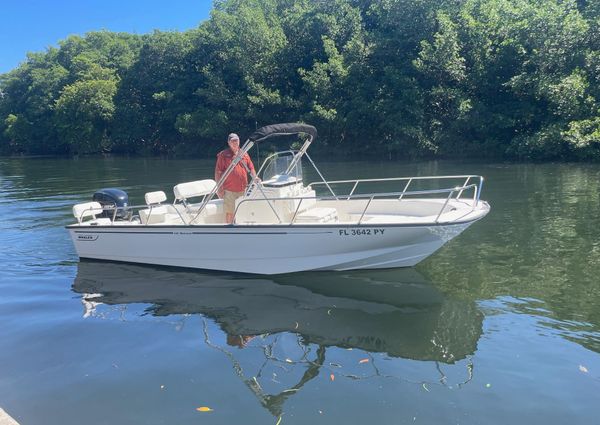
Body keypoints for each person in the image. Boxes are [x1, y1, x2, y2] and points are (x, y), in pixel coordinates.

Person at [214, 132, 258, 224]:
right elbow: (218, 172)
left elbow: (251, 167)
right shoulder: (223, 155)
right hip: (229, 190)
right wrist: (219, 189)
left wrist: (255, 177)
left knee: (241, 211)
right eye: (232, 141)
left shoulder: (244, 154)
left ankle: (240, 228)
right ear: (229, 143)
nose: (235, 142)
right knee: (230, 212)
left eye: (236, 140)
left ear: (239, 141)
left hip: (242, 189)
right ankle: (230, 229)